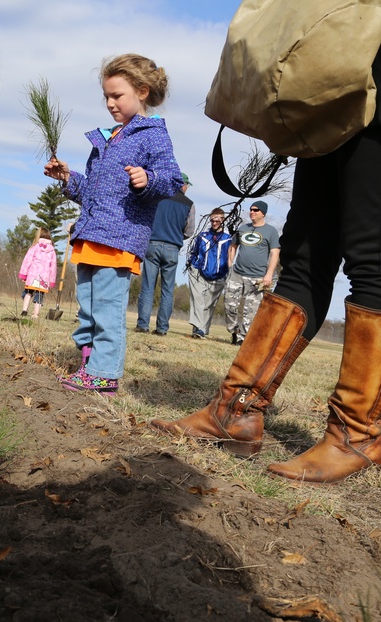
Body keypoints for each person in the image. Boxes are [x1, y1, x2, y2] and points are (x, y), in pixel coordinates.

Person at [153, 0, 381, 483]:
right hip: (338, 61)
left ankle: (357, 435)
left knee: (376, 252)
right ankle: (236, 409)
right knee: (303, 255)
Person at [44, 53, 183, 395]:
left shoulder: (152, 135)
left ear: (143, 91)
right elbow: (93, 191)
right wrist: (68, 179)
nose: (109, 103)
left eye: (117, 95)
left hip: (120, 238)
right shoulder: (109, 138)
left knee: (107, 308)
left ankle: (105, 372)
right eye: (106, 96)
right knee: (88, 308)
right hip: (91, 234)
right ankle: (89, 364)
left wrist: (147, 178)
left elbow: (172, 180)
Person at [135, 172, 195, 335]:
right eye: (187, 185)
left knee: (148, 286)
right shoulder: (189, 204)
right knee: (167, 290)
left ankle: (143, 325)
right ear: (183, 185)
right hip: (172, 248)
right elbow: (189, 231)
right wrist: (176, 234)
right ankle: (162, 328)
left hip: (152, 244)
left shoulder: (159, 197)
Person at [224, 200, 280, 345]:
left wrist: (269, 275)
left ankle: (243, 339)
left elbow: (275, 253)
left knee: (251, 311)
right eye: (251, 209)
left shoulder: (271, 231)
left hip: (257, 277)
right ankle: (234, 331)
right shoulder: (243, 228)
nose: (252, 212)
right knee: (229, 305)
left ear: (263, 213)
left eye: (255, 210)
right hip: (237, 274)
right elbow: (233, 245)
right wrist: (231, 263)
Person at [186, 208, 233, 338]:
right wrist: (192, 266)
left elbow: (230, 258)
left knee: (209, 304)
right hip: (199, 272)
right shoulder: (202, 236)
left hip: (219, 275)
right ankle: (198, 329)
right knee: (198, 300)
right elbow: (194, 252)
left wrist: (228, 274)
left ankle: (202, 329)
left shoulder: (228, 239)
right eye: (212, 220)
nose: (214, 222)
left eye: (218, 220)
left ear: (223, 220)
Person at [18, 228, 58, 319]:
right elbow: (53, 267)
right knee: (40, 295)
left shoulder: (35, 247)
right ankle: (36, 314)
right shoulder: (52, 250)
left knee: (28, 292)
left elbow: (27, 261)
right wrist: (52, 280)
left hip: (32, 275)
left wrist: (24, 273)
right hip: (44, 277)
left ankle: (24, 310)